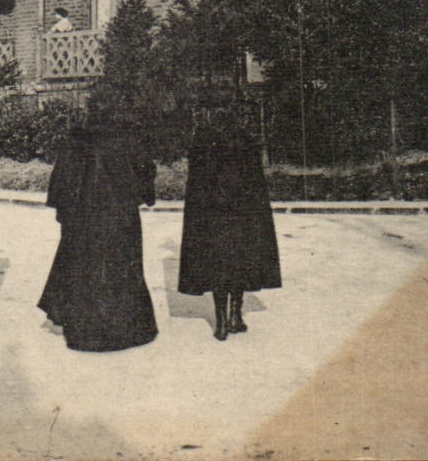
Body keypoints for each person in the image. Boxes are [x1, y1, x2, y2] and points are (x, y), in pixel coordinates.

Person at [37, 119, 158, 352]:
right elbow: (146, 170)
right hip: (120, 218)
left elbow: (61, 180)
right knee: (122, 269)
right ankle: (125, 331)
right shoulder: (126, 139)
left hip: (84, 219)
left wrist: (66, 213)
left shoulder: (76, 141)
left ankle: (87, 331)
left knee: (86, 270)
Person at [178, 106, 281, 340]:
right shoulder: (245, 140)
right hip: (242, 216)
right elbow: (256, 184)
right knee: (239, 264)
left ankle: (221, 323)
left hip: (213, 217)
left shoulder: (202, 141)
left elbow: (195, 184)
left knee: (218, 267)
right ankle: (236, 315)